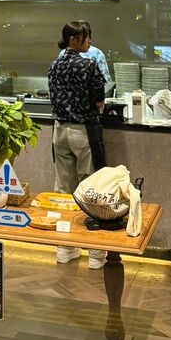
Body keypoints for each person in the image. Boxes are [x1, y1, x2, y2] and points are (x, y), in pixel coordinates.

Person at [48, 21, 107, 270]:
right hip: (83, 132)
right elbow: (99, 101)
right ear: (73, 40)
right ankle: (95, 252)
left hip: (59, 131)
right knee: (91, 188)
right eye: (86, 37)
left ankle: (65, 248)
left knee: (63, 190)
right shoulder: (88, 64)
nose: (90, 41)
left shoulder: (54, 65)